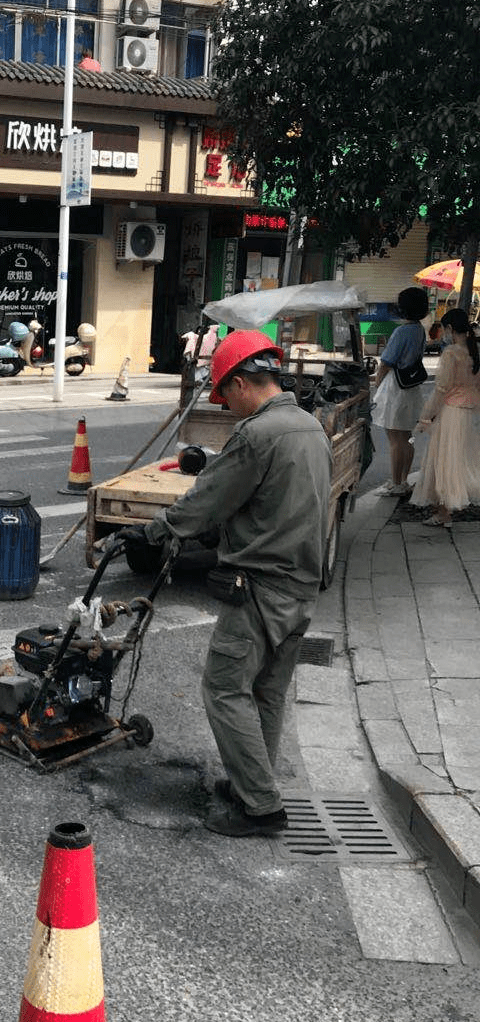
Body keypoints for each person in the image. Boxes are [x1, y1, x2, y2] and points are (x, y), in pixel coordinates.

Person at [120, 331, 331, 837]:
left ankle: (259, 805)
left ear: (239, 383)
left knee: (224, 689)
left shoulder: (257, 435)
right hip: (301, 587)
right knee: (267, 693)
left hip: (261, 587)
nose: (227, 408)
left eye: (224, 397)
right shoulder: (309, 427)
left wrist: (150, 530)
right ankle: (248, 784)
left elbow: (205, 501)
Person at [409, 308, 480, 527]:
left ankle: (443, 514)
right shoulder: (474, 350)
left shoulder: (451, 353)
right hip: (468, 411)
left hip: (450, 412)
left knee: (442, 462)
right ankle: (446, 511)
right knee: (458, 461)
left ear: (449, 329)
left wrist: (425, 417)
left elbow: (441, 389)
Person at [370, 286, 430, 496]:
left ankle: (395, 483)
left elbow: (386, 362)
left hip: (395, 388)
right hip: (412, 388)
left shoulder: (401, 331)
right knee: (407, 438)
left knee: (395, 440)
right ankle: (403, 481)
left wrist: (377, 384)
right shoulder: (420, 330)